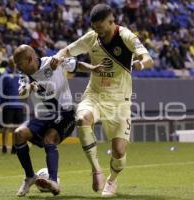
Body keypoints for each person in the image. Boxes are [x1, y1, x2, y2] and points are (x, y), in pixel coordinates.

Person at [54, 4, 153, 197]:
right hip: (95, 95)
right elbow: (68, 50)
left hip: (120, 101)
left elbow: (148, 58)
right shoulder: (92, 37)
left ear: (111, 21)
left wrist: (140, 63)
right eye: (94, 27)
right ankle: (96, 170)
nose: (97, 31)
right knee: (82, 119)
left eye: (100, 27)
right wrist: (58, 57)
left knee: (118, 150)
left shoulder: (126, 37)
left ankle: (112, 180)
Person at [13, 44, 103, 197]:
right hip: (43, 117)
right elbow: (21, 93)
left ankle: (53, 181)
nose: (18, 67)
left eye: (19, 64)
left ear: (29, 59)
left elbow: (77, 65)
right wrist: (29, 88)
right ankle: (30, 177)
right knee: (18, 134)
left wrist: (93, 68)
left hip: (65, 114)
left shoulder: (53, 61)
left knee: (49, 139)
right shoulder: (24, 74)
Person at [0, 57, 23, 154]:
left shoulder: (20, 75)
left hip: (18, 105)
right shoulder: (4, 75)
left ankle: (15, 146)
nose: (16, 65)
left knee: (17, 128)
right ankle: (5, 146)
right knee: (7, 127)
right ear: (10, 64)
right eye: (14, 63)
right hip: (8, 104)